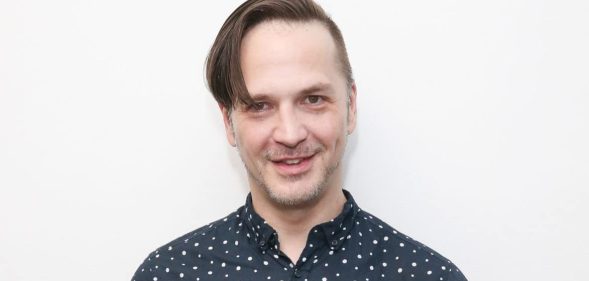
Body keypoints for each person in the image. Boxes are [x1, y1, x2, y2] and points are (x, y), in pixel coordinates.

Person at [132, 1, 467, 280]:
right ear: (228, 123)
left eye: (313, 99)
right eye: (259, 106)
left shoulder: (430, 275)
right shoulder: (166, 273)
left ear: (351, 107)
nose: (290, 134)